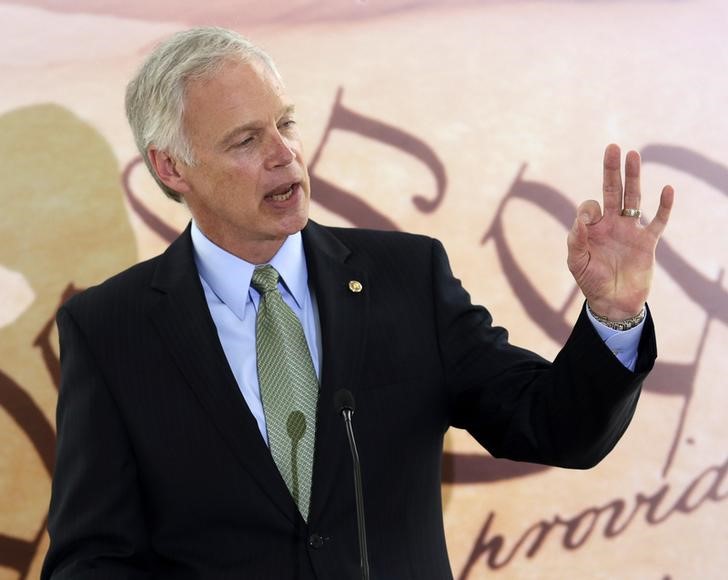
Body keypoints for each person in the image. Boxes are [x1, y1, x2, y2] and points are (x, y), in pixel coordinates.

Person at [42, 27, 673, 580]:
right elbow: (93, 558)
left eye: (285, 124)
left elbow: (555, 426)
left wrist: (614, 316)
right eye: (245, 140)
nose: (284, 154)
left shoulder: (408, 277)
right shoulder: (109, 328)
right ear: (171, 167)